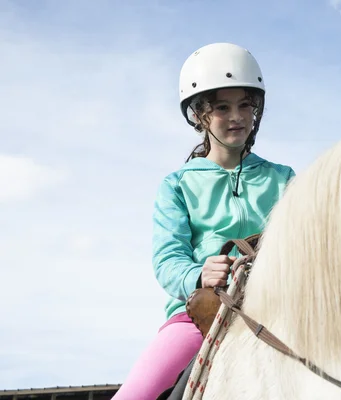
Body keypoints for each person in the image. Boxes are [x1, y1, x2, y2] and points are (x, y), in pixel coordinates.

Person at [112, 42, 296, 400]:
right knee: (134, 395)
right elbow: (167, 260)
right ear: (199, 116)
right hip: (201, 315)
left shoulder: (283, 178)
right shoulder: (177, 185)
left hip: (279, 309)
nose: (237, 116)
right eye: (222, 108)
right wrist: (198, 274)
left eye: (246, 105)